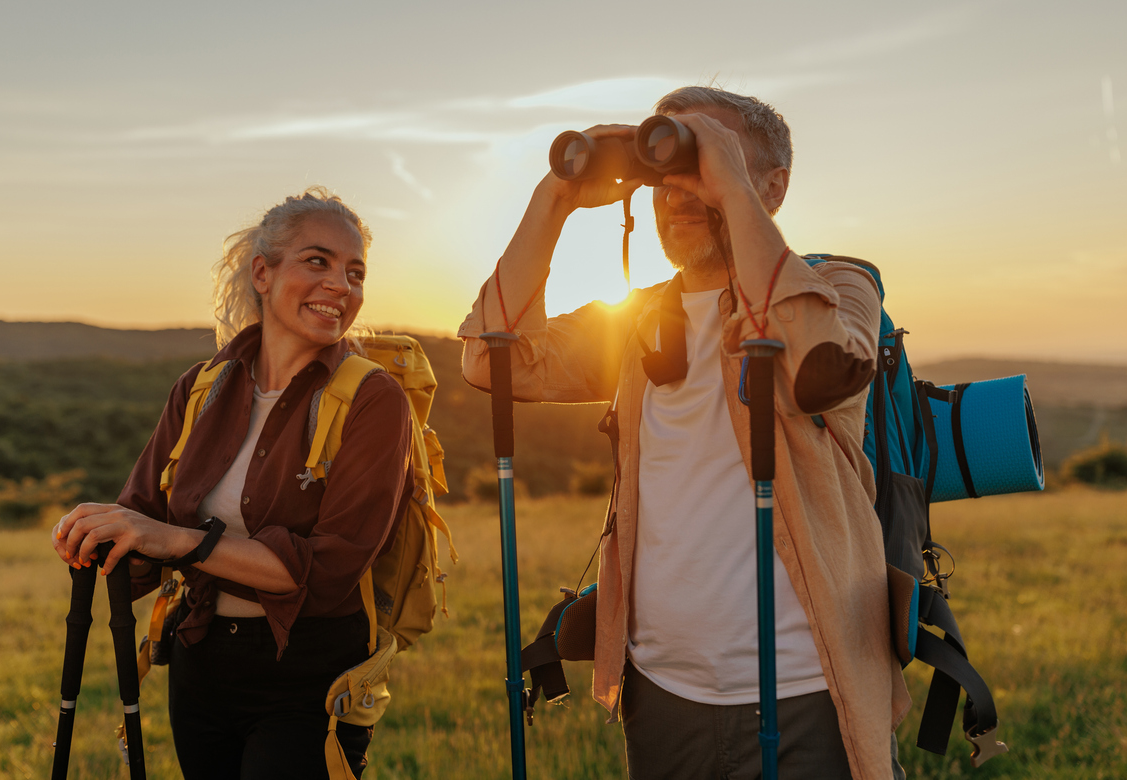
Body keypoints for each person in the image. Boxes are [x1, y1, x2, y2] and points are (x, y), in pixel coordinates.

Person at [458, 86, 910, 779]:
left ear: (772, 185)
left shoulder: (838, 286)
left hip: (807, 686)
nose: (678, 191)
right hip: (661, 692)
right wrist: (555, 197)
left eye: (706, 160)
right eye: (666, 170)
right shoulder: (636, 321)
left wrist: (729, 189)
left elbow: (819, 366)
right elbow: (491, 356)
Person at [52, 187, 413, 780]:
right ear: (263, 273)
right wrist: (96, 534)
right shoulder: (201, 386)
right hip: (201, 662)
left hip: (312, 675)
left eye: (355, 273)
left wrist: (177, 542)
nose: (341, 287)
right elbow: (140, 517)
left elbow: (326, 573)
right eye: (316, 262)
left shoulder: (374, 400)